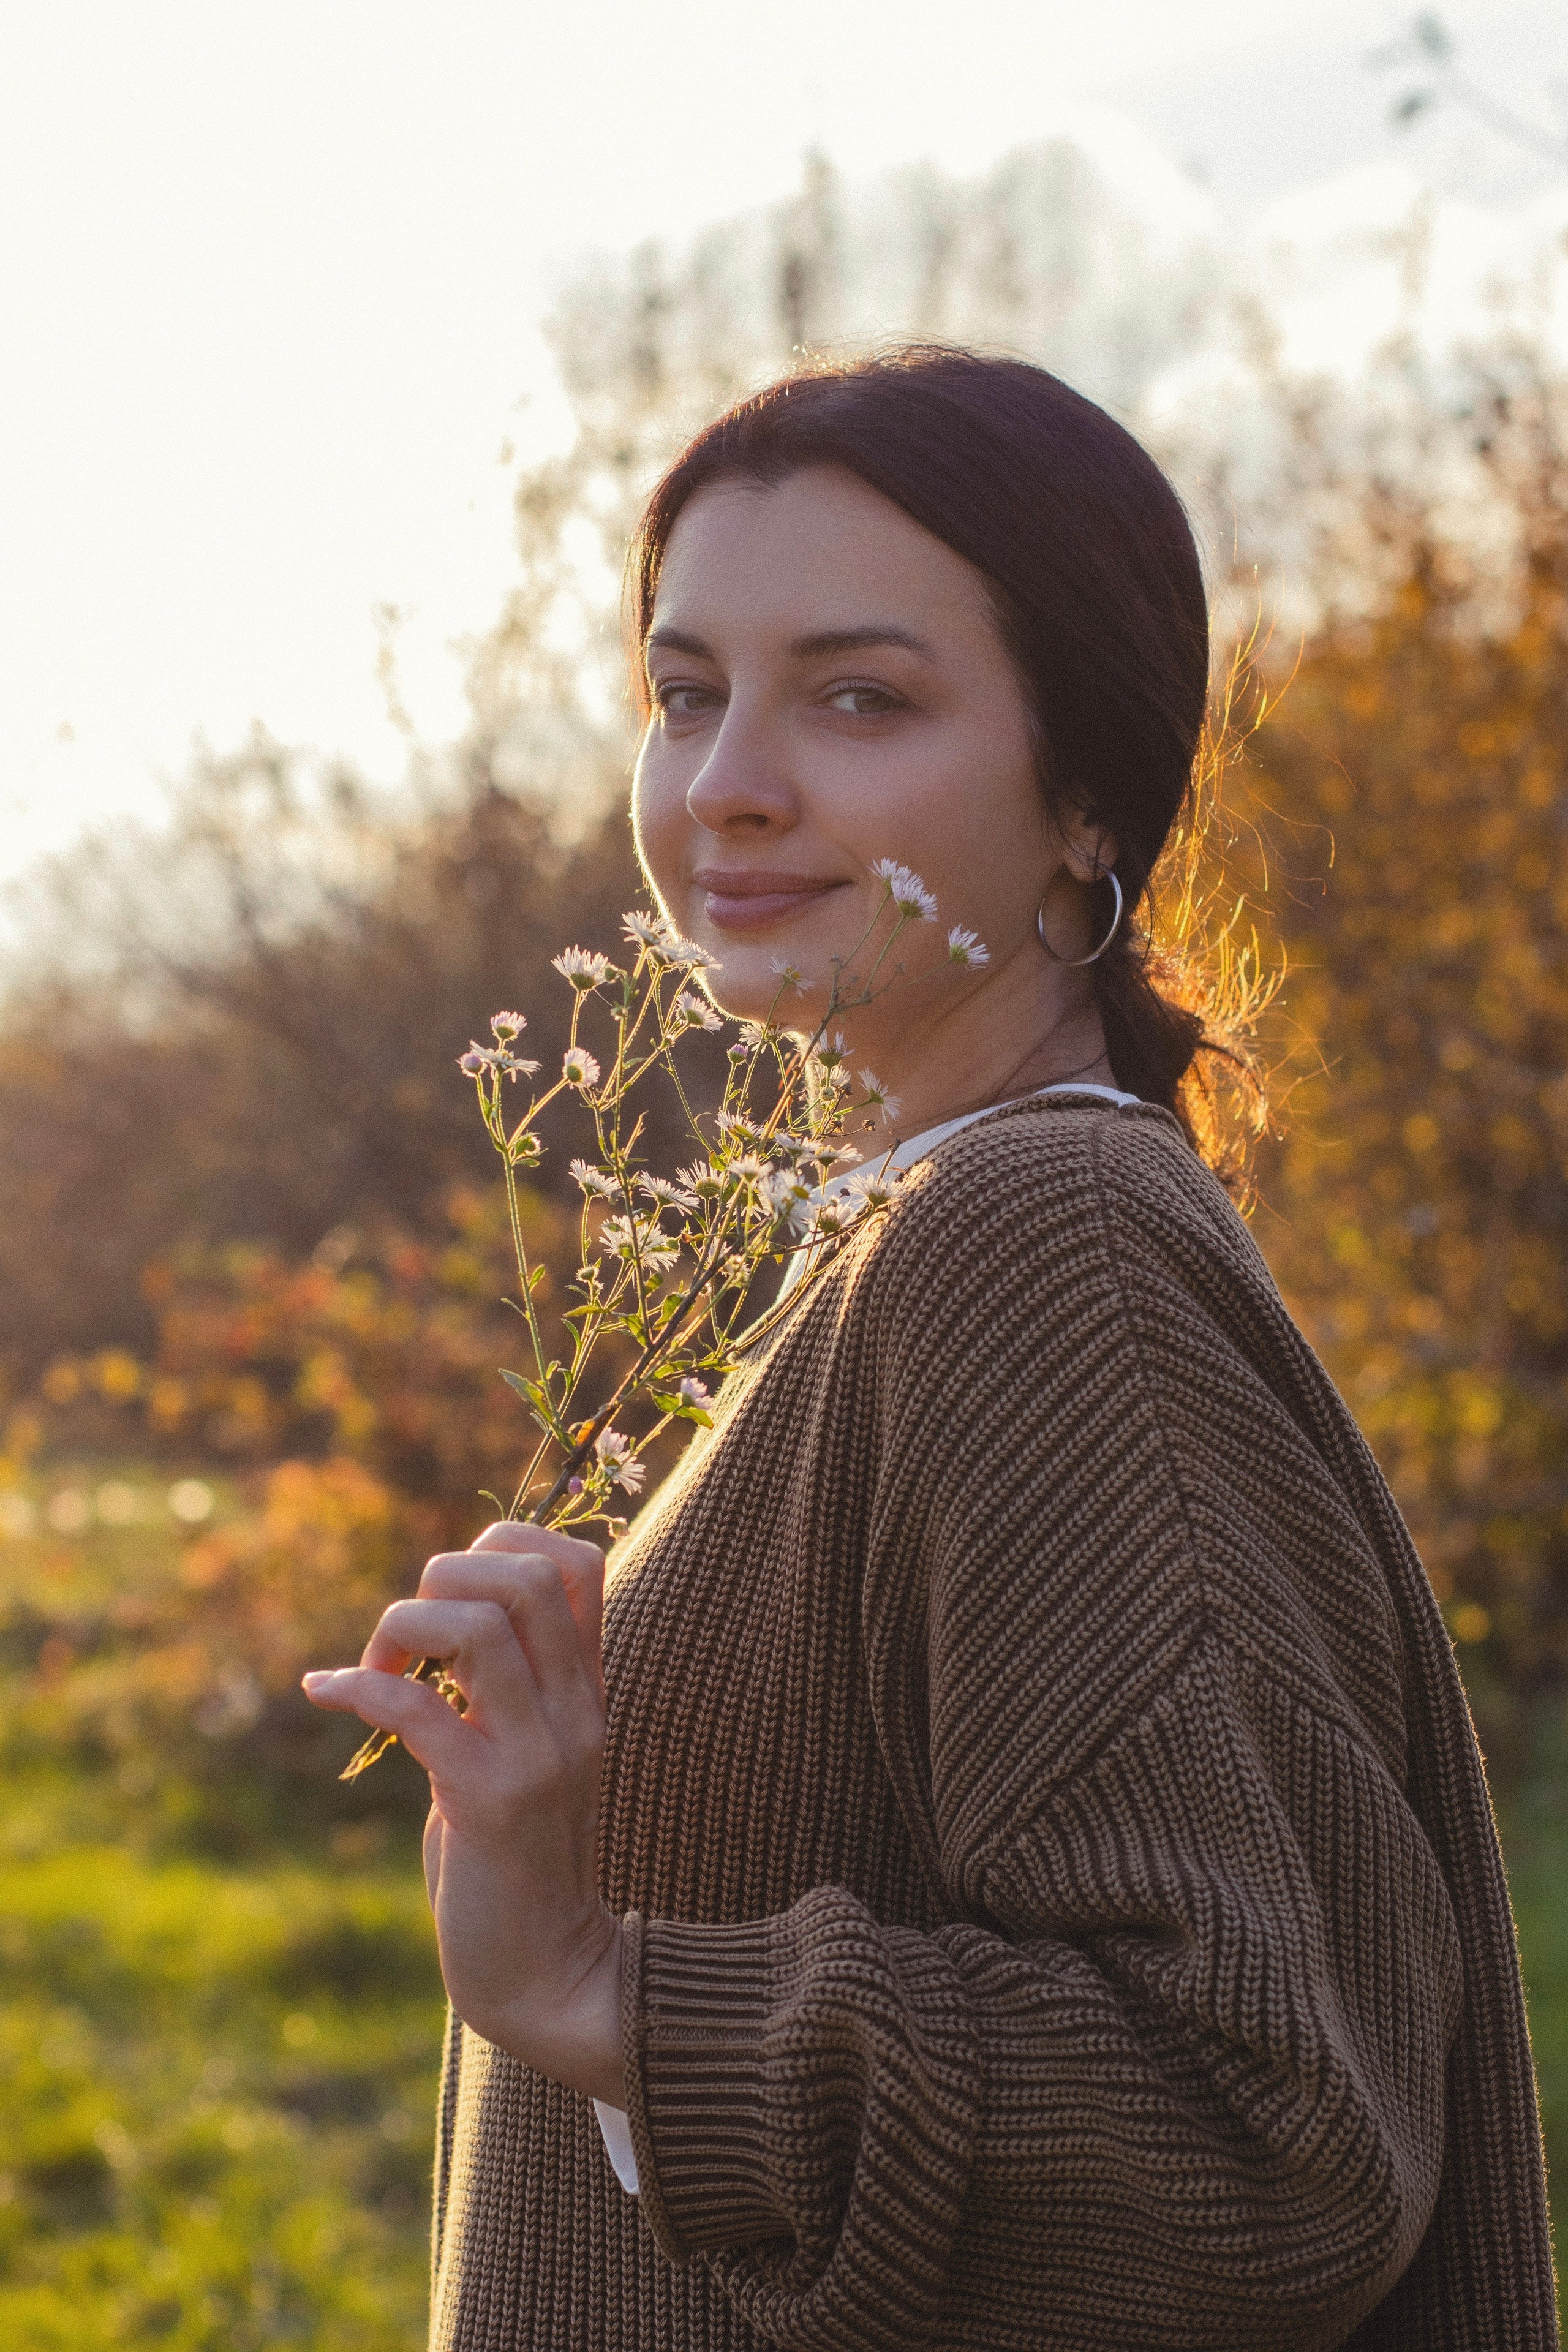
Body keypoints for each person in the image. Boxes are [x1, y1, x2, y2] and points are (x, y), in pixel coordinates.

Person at [303, 347, 1556, 2350]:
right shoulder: (894, 1226)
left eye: (859, 697)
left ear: (1087, 796)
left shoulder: (1043, 1244)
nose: (727, 784)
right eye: (686, 693)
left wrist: (601, 1992)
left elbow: (1268, 2151)